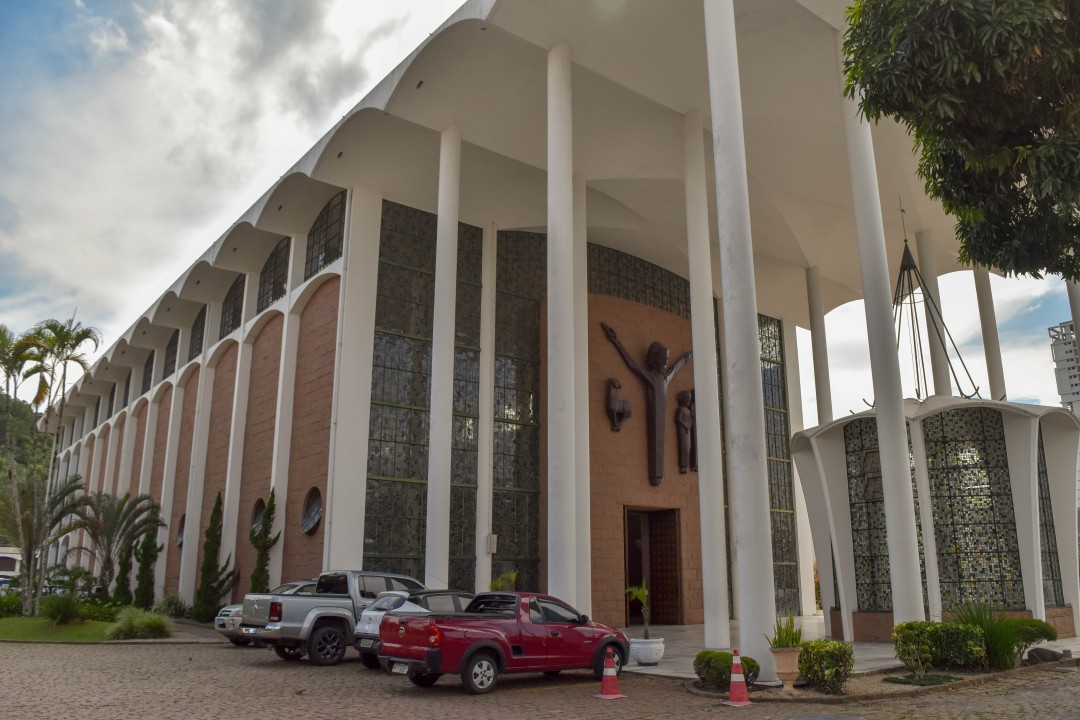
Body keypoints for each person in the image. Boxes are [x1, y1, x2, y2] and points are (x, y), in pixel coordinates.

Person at [601, 322, 691, 485]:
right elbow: (632, 364)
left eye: (666, 360)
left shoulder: (664, 379)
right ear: (654, 359)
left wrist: (685, 358)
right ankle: (656, 474)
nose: (665, 363)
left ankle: (658, 475)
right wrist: (616, 342)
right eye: (663, 359)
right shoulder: (651, 378)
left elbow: (675, 369)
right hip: (653, 425)